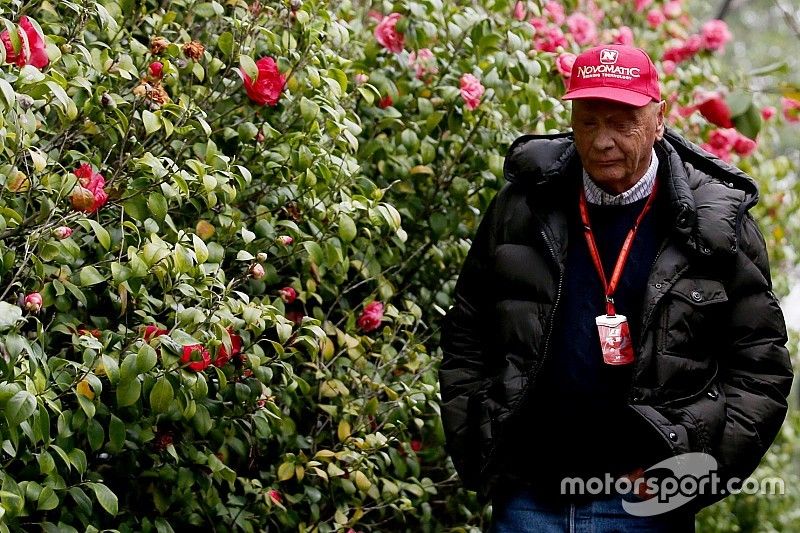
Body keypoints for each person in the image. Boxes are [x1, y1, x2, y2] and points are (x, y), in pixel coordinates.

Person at [438, 44, 793, 532]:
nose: (602, 140)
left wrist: (691, 477)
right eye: (588, 122)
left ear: (659, 119)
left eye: (622, 123)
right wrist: (479, 442)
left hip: (645, 508)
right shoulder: (523, 205)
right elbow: (466, 335)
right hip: (528, 497)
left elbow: (760, 369)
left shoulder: (714, 224)